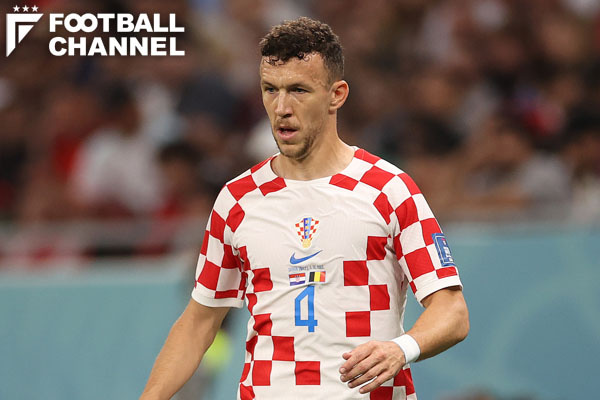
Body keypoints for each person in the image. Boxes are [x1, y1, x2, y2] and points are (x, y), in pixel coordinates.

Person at [140, 17, 469, 400]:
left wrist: (401, 348)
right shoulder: (238, 200)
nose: (281, 107)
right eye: (270, 89)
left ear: (336, 95)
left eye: (298, 90)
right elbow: (198, 323)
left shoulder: (388, 189)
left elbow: (452, 311)